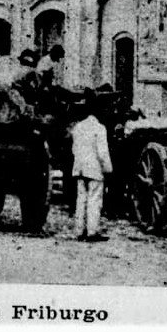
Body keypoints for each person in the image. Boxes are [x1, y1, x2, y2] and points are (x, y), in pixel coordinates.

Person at [70, 92, 113, 241]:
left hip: (80, 168)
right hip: (94, 169)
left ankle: (79, 231)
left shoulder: (78, 127)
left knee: (80, 200)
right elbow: (102, 153)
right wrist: (108, 169)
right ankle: (92, 232)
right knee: (94, 200)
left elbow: (74, 149)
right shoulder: (100, 129)